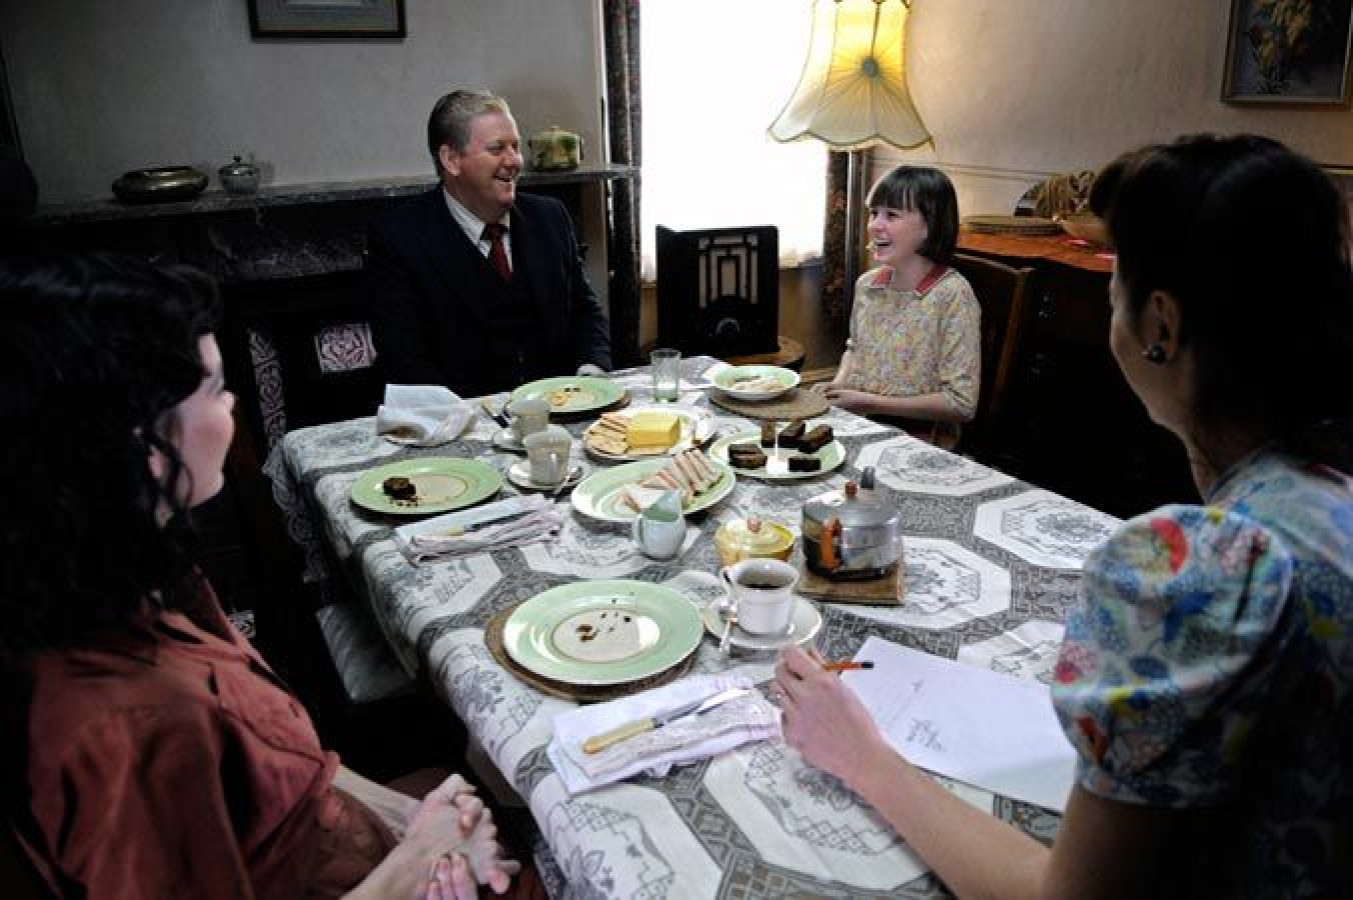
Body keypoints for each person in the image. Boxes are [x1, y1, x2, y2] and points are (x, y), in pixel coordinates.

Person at [776, 134, 1353, 898]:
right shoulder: (1327, 496)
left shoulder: (1199, 568)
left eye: (1114, 283)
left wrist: (861, 755)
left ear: (1159, 325)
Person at [0, 255, 520, 899]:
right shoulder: (134, 719)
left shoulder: (141, 576)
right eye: (217, 388)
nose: (234, 403)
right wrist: (419, 858)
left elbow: (296, 765)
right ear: (140, 442)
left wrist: (415, 818)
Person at [366, 88, 612, 397]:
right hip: (461, 416)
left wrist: (591, 372)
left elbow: (585, 311)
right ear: (451, 160)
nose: (514, 161)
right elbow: (404, 358)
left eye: (516, 147)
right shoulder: (398, 237)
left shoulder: (550, 217)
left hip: (560, 406)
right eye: (497, 149)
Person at [817, 165, 980, 448]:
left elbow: (961, 404)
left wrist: (867, 402)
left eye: (891, 215)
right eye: (874, 213)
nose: (874, 225)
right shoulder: (867, 285)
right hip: (860, 425)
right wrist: (839, 385)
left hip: (921, 441)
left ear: (930, 226)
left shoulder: (952, 295)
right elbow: (855, 349)